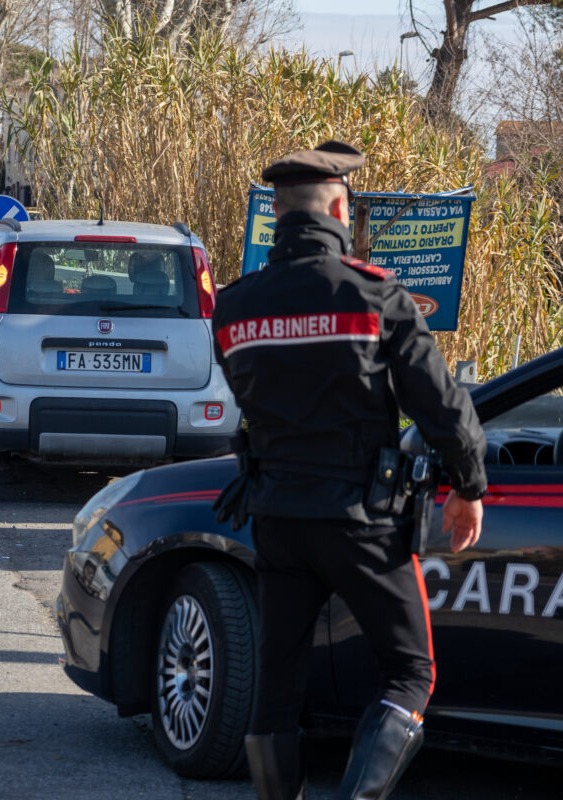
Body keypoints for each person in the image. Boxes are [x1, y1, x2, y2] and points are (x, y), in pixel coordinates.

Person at [211, 141, 487, 800]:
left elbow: (250, 396)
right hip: (360, 520)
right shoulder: (375, 296)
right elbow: (441, 404)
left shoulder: (234, 306)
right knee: (410, 674)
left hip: (276, 517)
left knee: (278, 684)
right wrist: (468, 485)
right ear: (339, 209)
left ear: (279, 215)